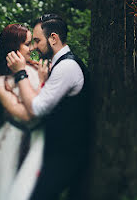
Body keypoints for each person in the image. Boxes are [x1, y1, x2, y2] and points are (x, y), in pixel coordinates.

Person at [6, 14, 89, 200]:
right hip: (57, 152)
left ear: (53, 38)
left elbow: (37, 108)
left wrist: (20, 73)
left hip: (66, 155)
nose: (34, 47)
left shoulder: (67, 67)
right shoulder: (59, 65)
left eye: (37, 41)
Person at [0, 23, 49, 200]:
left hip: (39, 139)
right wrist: (22, 73)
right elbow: (28, 114)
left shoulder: (39, 69)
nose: (33, 48)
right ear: (14, 48)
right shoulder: (0, 83)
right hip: (12, 141)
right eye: (28, 44)